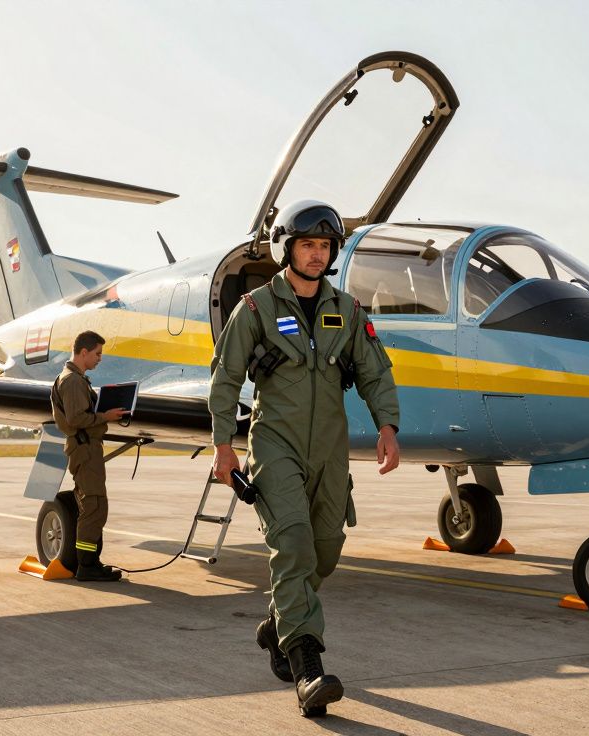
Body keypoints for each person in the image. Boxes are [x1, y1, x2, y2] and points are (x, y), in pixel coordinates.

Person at [208, 200, 401, 717]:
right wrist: (224, 445)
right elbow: (225, 377)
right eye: (307, 245)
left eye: (324, 246)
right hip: (276, 444)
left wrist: (387, 425)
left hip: (330, 451)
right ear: (286, 249)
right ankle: (307, 668)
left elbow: (374, 372)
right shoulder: (255, 308)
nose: (316, 255)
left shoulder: (349, 309)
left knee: (324, 552)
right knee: (292, 546)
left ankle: (279, 624)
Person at [51, 330, 128, 582]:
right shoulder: (72, 381)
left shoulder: (75, 379)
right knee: (93, 507)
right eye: (97, 354)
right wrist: (105, 416)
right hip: (84, 447)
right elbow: (76, 419)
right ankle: (86, 565)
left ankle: (92, 562)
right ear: (83, 352)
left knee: (95, 506)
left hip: (86, 447)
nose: (99, 359)